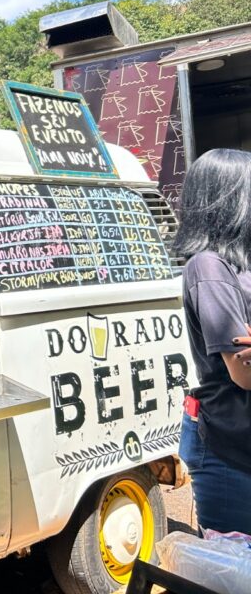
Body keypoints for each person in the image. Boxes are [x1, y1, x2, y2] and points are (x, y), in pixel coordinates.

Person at [173, 148, 251, 535]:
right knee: (234, 571)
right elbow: (244, 373)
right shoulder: (209, 267)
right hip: (230, 449)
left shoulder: (240, 267)